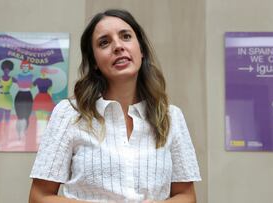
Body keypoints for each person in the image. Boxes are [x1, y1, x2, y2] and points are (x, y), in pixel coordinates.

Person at [29, 9, 201, 203]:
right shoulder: (69, 113)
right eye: (104, 42)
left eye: (126, 36)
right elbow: (39, 197)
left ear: (141, 50)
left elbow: (186, 196)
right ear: (94, 61)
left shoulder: (171, 116)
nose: (118, 46)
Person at [0, 60, 17, 137]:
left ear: (10, 69)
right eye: (5, 68)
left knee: (7, 118)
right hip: (0, 98)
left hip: (8, 98)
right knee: (0, 117)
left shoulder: (12, 79)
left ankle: (6, 133)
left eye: (8, 69)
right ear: (3, 69)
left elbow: (20, 83)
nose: (7, 70)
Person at [32, 66, 58, 144]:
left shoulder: (49, 81)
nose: (44, 73)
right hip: (40, 98)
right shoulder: (37, 80)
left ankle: (42, 138)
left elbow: (50, 91)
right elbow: (30, 87)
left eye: (45, 71)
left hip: (45, 98)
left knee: (44, 118)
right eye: (43, 71)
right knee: (39, 118)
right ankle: (39, 138)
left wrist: (50, 101)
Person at [14, 60, 34, 139]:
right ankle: (18, 134)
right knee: (19, 116)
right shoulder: (18, 75)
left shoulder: (31, 76)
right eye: (24, 66)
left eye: (27, 66)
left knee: (27, 115)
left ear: (29, 67)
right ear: (21, 67)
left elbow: (30, 85)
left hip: (28, 95)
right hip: (19, 95)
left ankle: (25, 131)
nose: (25, 68)